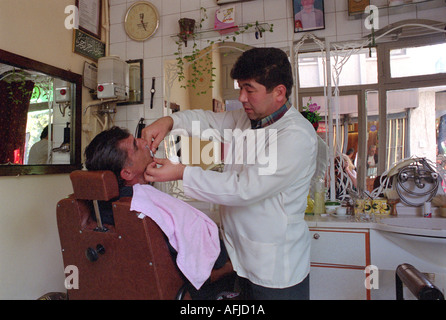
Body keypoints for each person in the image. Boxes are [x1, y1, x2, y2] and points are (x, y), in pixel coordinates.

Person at [142, 47, 318, 299]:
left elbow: (243, 188)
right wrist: (168, 122)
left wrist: (182, 172)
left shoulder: (295, 136)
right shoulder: (245, 120)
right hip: (240, 262)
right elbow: (206, 121)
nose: (242, 97)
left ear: (279, 92)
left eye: (249, 89)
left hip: (276, 269)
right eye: (240, 88)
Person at [84, 126, 231, 298]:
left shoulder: (104, 209)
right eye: (136, 145)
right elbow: (203, 262)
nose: (144, 142)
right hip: (195, 286)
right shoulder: (139, 209)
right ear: (127, 172)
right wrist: (231, 264)